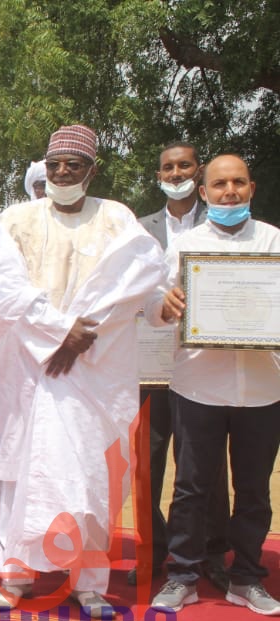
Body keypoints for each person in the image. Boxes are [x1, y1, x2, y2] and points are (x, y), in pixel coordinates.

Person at [0, 125, 165, 617]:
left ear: (93, 169)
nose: (63, 172)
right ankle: (16, 576)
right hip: (29, 366)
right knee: (22, 470)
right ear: (44, 166)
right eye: (55, 163)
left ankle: (88, 582)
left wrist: (83, 335)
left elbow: (138, 279)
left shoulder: (117, 218)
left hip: (95, 366)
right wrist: (59, 332)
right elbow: (5, 288)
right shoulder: (17, 219)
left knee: (90, 472)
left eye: (74, 164)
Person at [149, 154, 280, 616]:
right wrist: (166, 306)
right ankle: (182, 575)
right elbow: (155, 312)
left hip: (263, 388)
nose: (229, 192)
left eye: (238, 183)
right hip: (197, 385)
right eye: (220, 184)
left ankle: (246, 577)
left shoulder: (274, 242)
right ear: (204, 193)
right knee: (191, 487)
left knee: (254, 490)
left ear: (251, 188)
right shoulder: (185, 245)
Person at [132, 142, 229, 589]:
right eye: (168, 166)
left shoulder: (225, 226)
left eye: (184, 165)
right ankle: (152, 553)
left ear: (199, 171)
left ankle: (211, 552)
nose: (176, 173)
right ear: (158, 174)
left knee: (202, 463)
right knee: (147, 463)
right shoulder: (138, 228)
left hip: (202, 364)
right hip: (149, 365)